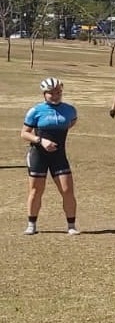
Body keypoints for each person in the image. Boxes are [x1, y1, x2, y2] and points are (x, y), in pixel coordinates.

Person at [21, 77, 79, 235]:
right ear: (44, 94)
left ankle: (71, 226)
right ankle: (31, 224)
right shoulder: (36, 111)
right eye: (51, 93)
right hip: (38, 155)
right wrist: (41, 140)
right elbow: (24, 133)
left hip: (59, 156)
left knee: (67, 190)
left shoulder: (70, 110)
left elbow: (71, 122)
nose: (55, 96)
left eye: (58, 92)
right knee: (36, 190)